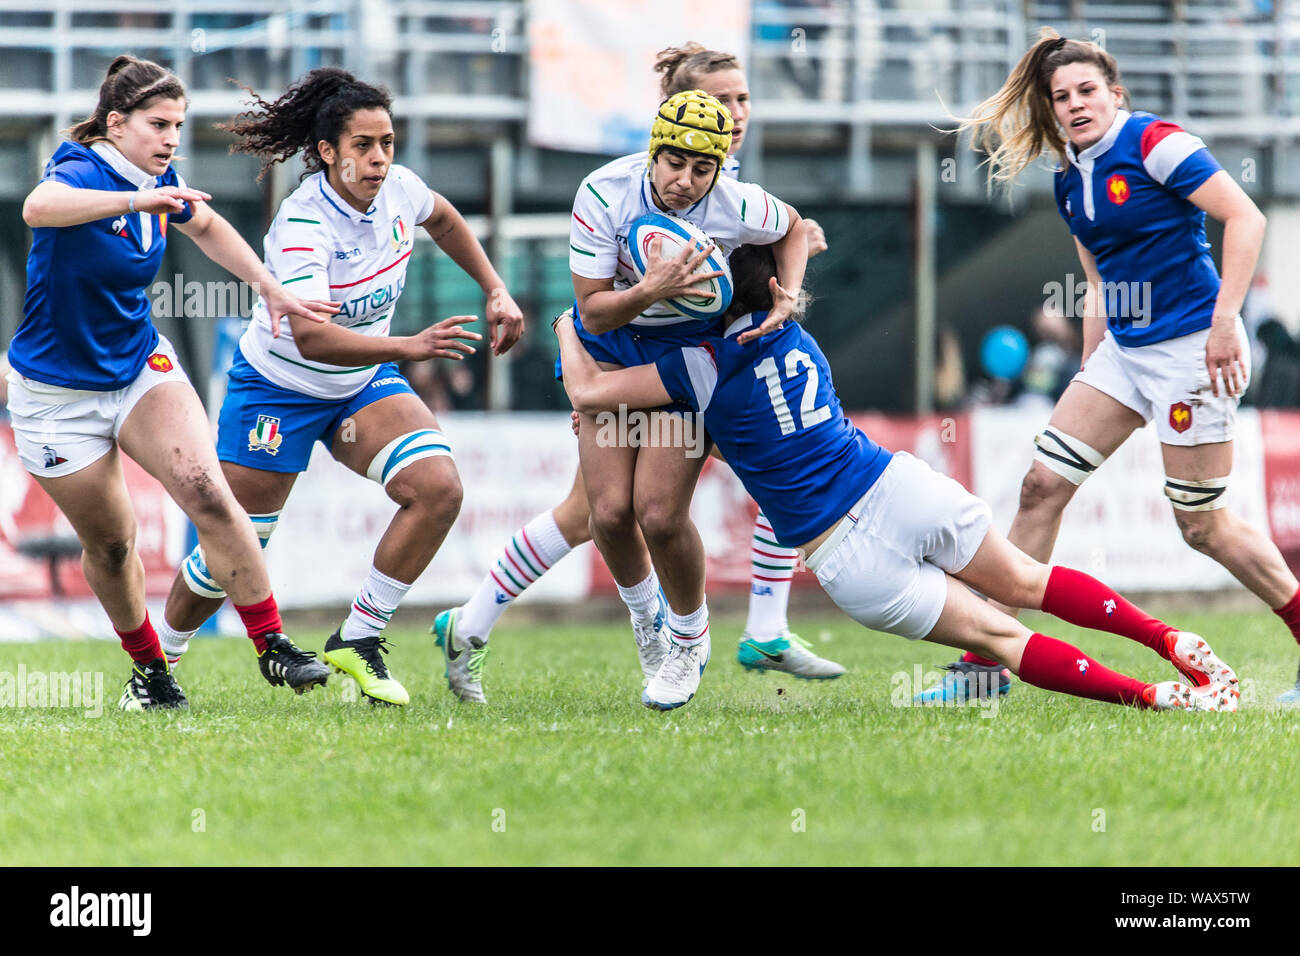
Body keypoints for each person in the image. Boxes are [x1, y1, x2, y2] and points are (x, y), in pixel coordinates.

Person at [554, 243, 1240, 713]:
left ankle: (1151, 698)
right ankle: (1167, 641)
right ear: (774, 290)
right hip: (894, 487)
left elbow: (587, 394)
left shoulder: (696, 365)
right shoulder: (796, 333)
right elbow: (783, 241)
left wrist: (570, 320)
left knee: (1003, 642)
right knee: (1027, 584)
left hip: (845, 554)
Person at [433, 43, 840, 708]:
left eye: (701, 167)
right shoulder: (605, 192)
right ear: (658, 140)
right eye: (675, 160)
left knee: (659, 510)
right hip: (612, 345)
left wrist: (787, 293)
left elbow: (792, 225)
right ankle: (654, 628)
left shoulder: (734, 198)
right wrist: (648, 292)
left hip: (686, 365)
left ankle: (693, 637)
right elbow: (592, 307)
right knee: (608, 513)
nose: (684, 177)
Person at [918, 28, 1300, 706]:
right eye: (1060, 96)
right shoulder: (1070, 177)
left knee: (1201, 524)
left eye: (1087, 90)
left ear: (1114, 93)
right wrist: (1089, 366)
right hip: (1124, 354)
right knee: (1040, 486)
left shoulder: (1157, 143)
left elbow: (1245, 219)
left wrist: (1223, 325)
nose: (1074, 104)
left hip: (1190, 346)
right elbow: (1096, 282)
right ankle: (985, 665)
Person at [152, 68, 523, 706]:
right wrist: (409, 346)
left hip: (359, 382)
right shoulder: (302, 226)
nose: (380, 159)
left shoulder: (400, 189)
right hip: (279, 390)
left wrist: (495, 287)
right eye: (363, 146)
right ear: (328, 153)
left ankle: (358, 637)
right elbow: (311, 340)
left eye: (388, 143)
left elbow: (447, 220)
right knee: (231, 549)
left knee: (437, 489)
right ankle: (161, 661)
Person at [9, 55, 337, 709]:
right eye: (159, 124)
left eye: (178, 126)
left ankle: (272, 646)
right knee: (111, 542)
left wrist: (270, 288)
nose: (170, 139)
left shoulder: (162, 177)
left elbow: (208, 225)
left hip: (137, 370)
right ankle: (151, 675)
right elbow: (38, 208)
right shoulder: (82, 169)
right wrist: (141, 197)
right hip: (54, 399)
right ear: (116, 123)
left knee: (208, 494)